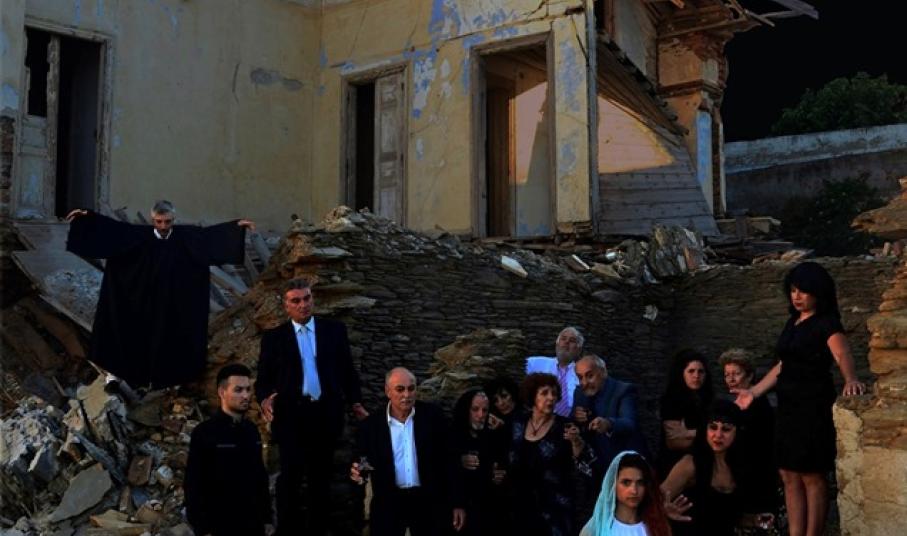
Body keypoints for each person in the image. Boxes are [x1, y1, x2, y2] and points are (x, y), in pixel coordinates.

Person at [733, 262, 866, 536]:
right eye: (793, 290)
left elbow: (841, 353)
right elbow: (783, 364)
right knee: (788, 473)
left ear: (818, 292)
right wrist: (754, 392)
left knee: (812, 475)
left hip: (813, 406)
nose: (797, 296)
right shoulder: (792, 323)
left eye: (803, 291)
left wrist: (851, 379)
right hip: (788, 407)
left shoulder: (826, 323)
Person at [65, 201, 254, 388]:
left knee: (173, 340)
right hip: (141, 303)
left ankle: (171, 382)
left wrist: (235, 227)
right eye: (159, 222)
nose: (163, 226)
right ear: (152, 220)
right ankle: (128, 379)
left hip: (172, 304)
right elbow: (111, 229)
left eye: (167, 222)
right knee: (133, 337)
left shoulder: (187, 237)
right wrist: (86, 217)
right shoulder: (137, 236)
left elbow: (211, 236)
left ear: (173, 219)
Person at [255, 278, 369, 536]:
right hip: (291, 417)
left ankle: (318, 530)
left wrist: (356, 402)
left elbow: (347, 370)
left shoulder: (333, 331)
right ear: (286, 305)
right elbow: (263, 379)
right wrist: (265, 400)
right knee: (290, 478)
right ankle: (288, 531)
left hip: (325, 414)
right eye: (296, 300)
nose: (303, 305)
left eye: (307, 298)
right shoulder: (274, 338)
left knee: (321, 478)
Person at [350, 367, 466, 535]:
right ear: (387, 391)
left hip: (427, 501)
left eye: (411, 388)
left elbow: (450, 461)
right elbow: (363, 462)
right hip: (389, 502)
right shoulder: (372, 426)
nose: (407, 394)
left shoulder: (432, 417)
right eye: (400, 389)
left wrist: (457, 503)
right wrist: (359, 474)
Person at [185, 364, 271, 536]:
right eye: (238, 390)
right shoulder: (204, 433)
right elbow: (193, 484)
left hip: (253, 525)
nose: (246, 395)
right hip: (220, 525)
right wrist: (203, 528)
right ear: (222, 392)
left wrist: (267, 519)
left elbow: (260, 478)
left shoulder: (251, 430)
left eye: (248, 389)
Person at [660, 400, 767, 536]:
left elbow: (726, 515)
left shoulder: (741, 466)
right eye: (713, 427)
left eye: (726, 429)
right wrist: (664, 510)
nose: (718, 435)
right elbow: (654, 500)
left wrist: (754, 520)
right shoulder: (690, 464)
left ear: (738, 432)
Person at [509, 372, 596, 536]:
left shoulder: (565, 426)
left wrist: (576, 442)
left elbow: (583, 463)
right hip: (519, 504)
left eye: (554, 394)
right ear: (532, 395)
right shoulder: (518, 421)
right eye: (544, 393)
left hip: (554, 509)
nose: (551, 398)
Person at [719, 348, 778, 524]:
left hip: (757, 476)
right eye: (727, 375)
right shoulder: (732, 403)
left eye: (736, 374)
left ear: (750, 376)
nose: (731, 379)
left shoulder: (758, 405)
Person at [572, 354, 649, 487]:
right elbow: (573, 423)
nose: (584, 382)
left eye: (590, 376)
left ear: (603, 372)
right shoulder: (579, 393)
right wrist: (575, 417)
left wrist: (608, 423)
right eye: (580, 377)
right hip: (594, 469)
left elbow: (629, 423)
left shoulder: (623, 390)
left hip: (625, 465)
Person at [580, 451, 677, 536]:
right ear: (613, 484)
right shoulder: (595, 529)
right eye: (626, 483)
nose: (634, 490)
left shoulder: (656, 527)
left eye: (640, 483)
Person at [452, 388, 508, 536]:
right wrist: (459, 460)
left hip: (488, 509)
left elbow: (501, 464)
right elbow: (444, 469)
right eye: (475, 409)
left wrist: (499, 475)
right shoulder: (453, 435)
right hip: (462, 509)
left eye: (485, 410)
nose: (480, 415)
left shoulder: (492, 435)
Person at [658, 349, 713, 476]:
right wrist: (707, 434)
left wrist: (690, 433)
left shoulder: (708, 401)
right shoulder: (671, 400)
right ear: (682, 373)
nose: (696, 376)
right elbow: (674, 441)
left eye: (701, 371)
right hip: (675, 464)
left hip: (703, 460)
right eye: (691, 371)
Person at [525, 327, 585, 417]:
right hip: (539, 418)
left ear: (579, 350)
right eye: (563, 338)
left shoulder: (582, 373)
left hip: (569, 421)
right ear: (557, 344)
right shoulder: (534, 363)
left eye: (572, 340)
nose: (566, 342)